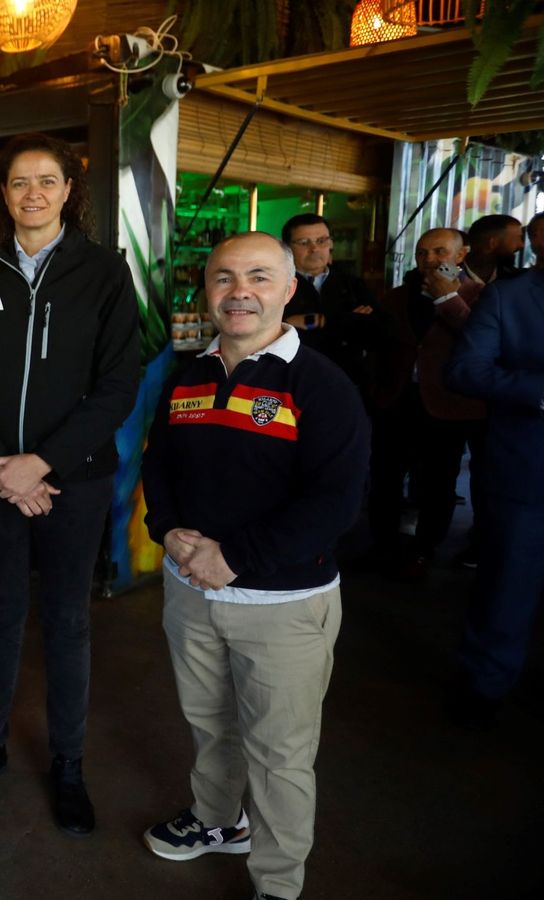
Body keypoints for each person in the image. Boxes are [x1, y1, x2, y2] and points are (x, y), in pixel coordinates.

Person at [140, 231, 369, 900]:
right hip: (191, 595)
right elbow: (161, 465)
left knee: (280, 754)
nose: (240, 291)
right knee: (210, 725)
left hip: (283, 607)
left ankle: (277, 883)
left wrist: (235, 557)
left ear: (289, 289)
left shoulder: (321, 386)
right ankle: (217, 820)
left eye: (260, 277)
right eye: (225, 278)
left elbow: (336, 502)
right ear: (206, 290)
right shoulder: (190, 374)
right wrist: (169, 533)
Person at [0, 132, 140, 835]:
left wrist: (44, 463)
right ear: (3, 195)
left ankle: (68, 765)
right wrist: (6, 466)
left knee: (66, 621)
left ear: (68, 192)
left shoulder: (104, 273)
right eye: (20, 182)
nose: (33, 193)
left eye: (47, 181)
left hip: (74, 483)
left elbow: (119, 385)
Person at [445, 269, 544, 728]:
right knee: (508, 589)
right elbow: (465, 370)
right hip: (528, 473)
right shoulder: (512, 295)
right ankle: (483, 689)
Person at [370, 227, 486, 577]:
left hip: (448, 405)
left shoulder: (481, 295)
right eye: (422, 253)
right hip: (398, 400)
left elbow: (480, 343)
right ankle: (384, 547)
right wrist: (378, 390)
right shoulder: (397, 295)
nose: (429, 260)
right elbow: (381, 346)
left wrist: (447, 299)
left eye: (439, 252)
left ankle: (425, 549)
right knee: (385, 478)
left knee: (438, 482)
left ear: (461, 255)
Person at [280, 213, 381, 394]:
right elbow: (273, 334)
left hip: (350, 383)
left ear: (331, 244)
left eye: (321, 240)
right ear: (287, 248)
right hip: (294, 385)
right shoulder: (277, 286)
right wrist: (350, 320)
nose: (314, 248)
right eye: (304, 242)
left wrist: (318, 320)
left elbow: (379, 331)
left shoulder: (352, 284)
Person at [463, 214, 525, 284]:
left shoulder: (514, 279)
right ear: (492, 243)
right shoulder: (451, 275)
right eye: (516, 238)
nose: (521, 245)